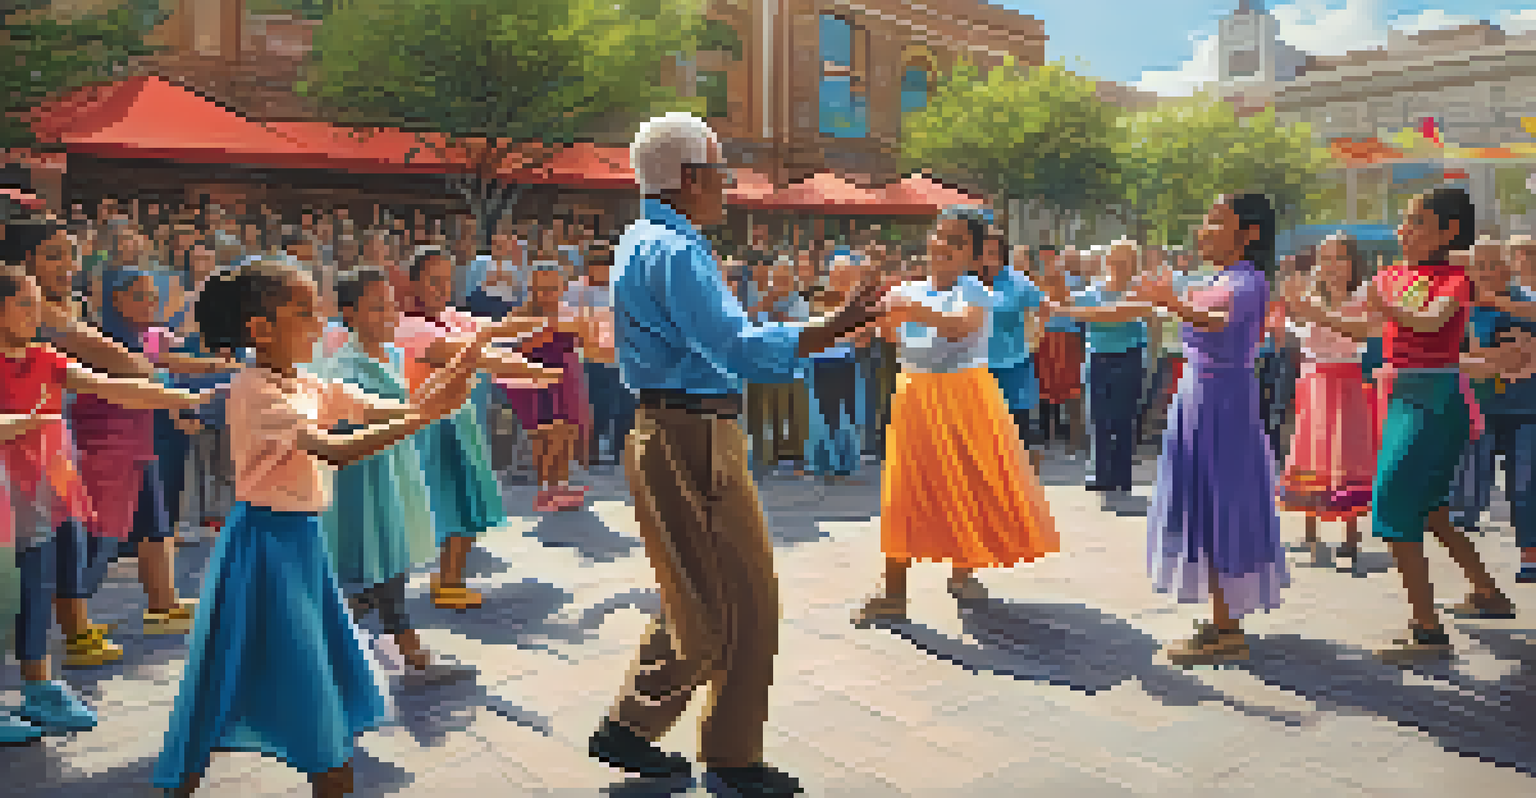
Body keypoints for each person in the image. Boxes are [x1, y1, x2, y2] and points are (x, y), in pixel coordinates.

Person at [590, 112, 883, 797]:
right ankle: (666, 738)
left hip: (682, 427)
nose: (727, 187)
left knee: (722, 597)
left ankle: (698, 744)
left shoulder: (644, 238)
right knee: (724, 606)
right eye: (720, 174)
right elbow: (739, 348)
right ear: (690, 178)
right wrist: (832, 326)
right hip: (691, 432)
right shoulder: (677, 250)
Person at [153, 260, 485, 797]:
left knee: (279, 675)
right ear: (259, 329)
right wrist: (424, 415)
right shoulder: (255, 390)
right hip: (263, 547)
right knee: (253, 679)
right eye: (304, 312)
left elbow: (379, 410)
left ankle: (286, 769)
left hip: (301, 545)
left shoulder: (306, 382)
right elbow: (337, 448)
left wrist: (435, 402)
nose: (317, 322)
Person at [1281, 188, 1521, 662]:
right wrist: (1311, 313)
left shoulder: (1454, 278)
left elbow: (1431, 323)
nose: (1402, 230)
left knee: (1390, 503)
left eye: (1415, 222)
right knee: (1428, 508)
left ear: (1448, 232)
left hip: (1434, 399)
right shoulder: (1391, 276)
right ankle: (1486, 592)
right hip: (1404, 397)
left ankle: (1426, 631)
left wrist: (1385, 302)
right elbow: (1369, 330)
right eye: (1404, 221)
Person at [0, 266, 205, 744]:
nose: (37, 314)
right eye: (26, 303)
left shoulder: (45, 357)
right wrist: (19, 422)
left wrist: (178, 395)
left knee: (35, 588)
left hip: (38, 498)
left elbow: (111, 384)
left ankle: (38, 686)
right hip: (1, 499)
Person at [850, 206, 1059, 627]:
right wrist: (873, 318)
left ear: (977, 255)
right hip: (914, 394)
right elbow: (887, 336)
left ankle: (963, 572)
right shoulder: (908, 289)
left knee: (967, 483)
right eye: (939, 235)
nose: (942, 245)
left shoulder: (976, 292)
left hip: (964, 396)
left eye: (956, 241)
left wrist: (910, 311)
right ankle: (893, 591)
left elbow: (961, 326)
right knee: (902, 489)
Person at [1135, 194, 1290, 666]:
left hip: (1224, 402)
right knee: (1204, 504)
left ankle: (1227, 630)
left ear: (1250, 233)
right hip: (1198, 397)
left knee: (1220, 503)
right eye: (1206, 220)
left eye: (1217, 221)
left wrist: (1173, 304)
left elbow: (1220, 323)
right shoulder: (1217, 279)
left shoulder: (1249, 280)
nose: (1204, 229)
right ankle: (1223, 620)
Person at [308, 269, 484, 681]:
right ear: (349, 314)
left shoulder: (393, 355)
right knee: (369, 564)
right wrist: (427, 408)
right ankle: (385, 647)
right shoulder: (343, 367)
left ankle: (396, 645)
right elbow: (357, 424)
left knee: (390, 560)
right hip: (362, 476)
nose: (389, 314)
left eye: (390, 305)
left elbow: (408, 406)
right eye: (377, 307)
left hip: (393, 469)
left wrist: (446, 387)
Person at [394, 247, 550, 609]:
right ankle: (383, 590)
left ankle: (449, 581)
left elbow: (495, 330)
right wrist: (533, 372)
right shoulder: (409, 325)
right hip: (423, 426)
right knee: (410, 508)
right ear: (414, 282)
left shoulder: (452, 316)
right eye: (433, 281)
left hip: (458, 420)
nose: (441, 288)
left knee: (464, 503)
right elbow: (473, 354)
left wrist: (540, 315)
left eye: (446, 281)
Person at [1277, 233, 1376, 570]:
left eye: (1338, 258)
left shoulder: (1364, 294)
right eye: (1325, 259)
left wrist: (1316, 309)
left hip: (1347, 379)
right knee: (1310, 451)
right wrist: (1295, 304)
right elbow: (1301, 327)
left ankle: (1351, 534)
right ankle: (1311, 530)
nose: (1330, 266)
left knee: (1348, 454)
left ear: (1352, 263)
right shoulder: (1308, 296)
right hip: (1315, 379)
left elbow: (1363, 332)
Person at [1055, 238, 1157, 515]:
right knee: (1099, 417)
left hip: (1129, 357)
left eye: (1126, 261)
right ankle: (1100, 474)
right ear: (1107, 262)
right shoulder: (1093, 289)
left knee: (1124, 420)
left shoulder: (1139, 290)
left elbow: (1111, 315)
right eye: (1115, 260)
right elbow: (1081, 312)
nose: (1120, 265)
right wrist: (1058, 284)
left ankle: (1121, 478)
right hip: (1098, 357)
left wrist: (1071, 310)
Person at [982, 234, 1046, 460]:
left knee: (1016, 431)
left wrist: (1033, 341)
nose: (986, 259)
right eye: (982, 253)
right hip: (975, 368)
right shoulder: (964, 282)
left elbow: (1041, 311)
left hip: (1014, 366)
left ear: (1002, 256)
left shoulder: (1020, 283)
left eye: (992, 253)